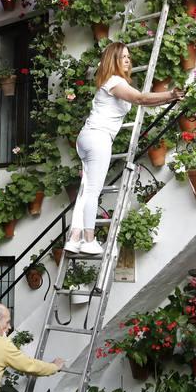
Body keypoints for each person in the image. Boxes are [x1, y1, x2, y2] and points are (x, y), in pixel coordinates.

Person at [65, 42, 182, 256]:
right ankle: (88, 239)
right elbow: (140, 98)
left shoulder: (112, 82)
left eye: (128, 56)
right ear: (113, 61)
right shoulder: (115, 81)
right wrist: (170, 95)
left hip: (89, 137)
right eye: (123, 57)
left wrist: (165, 98)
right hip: (98, 137)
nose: (128, 60)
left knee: (85, 190)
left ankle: (74, 238)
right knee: (92, 191)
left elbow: (142, 102)